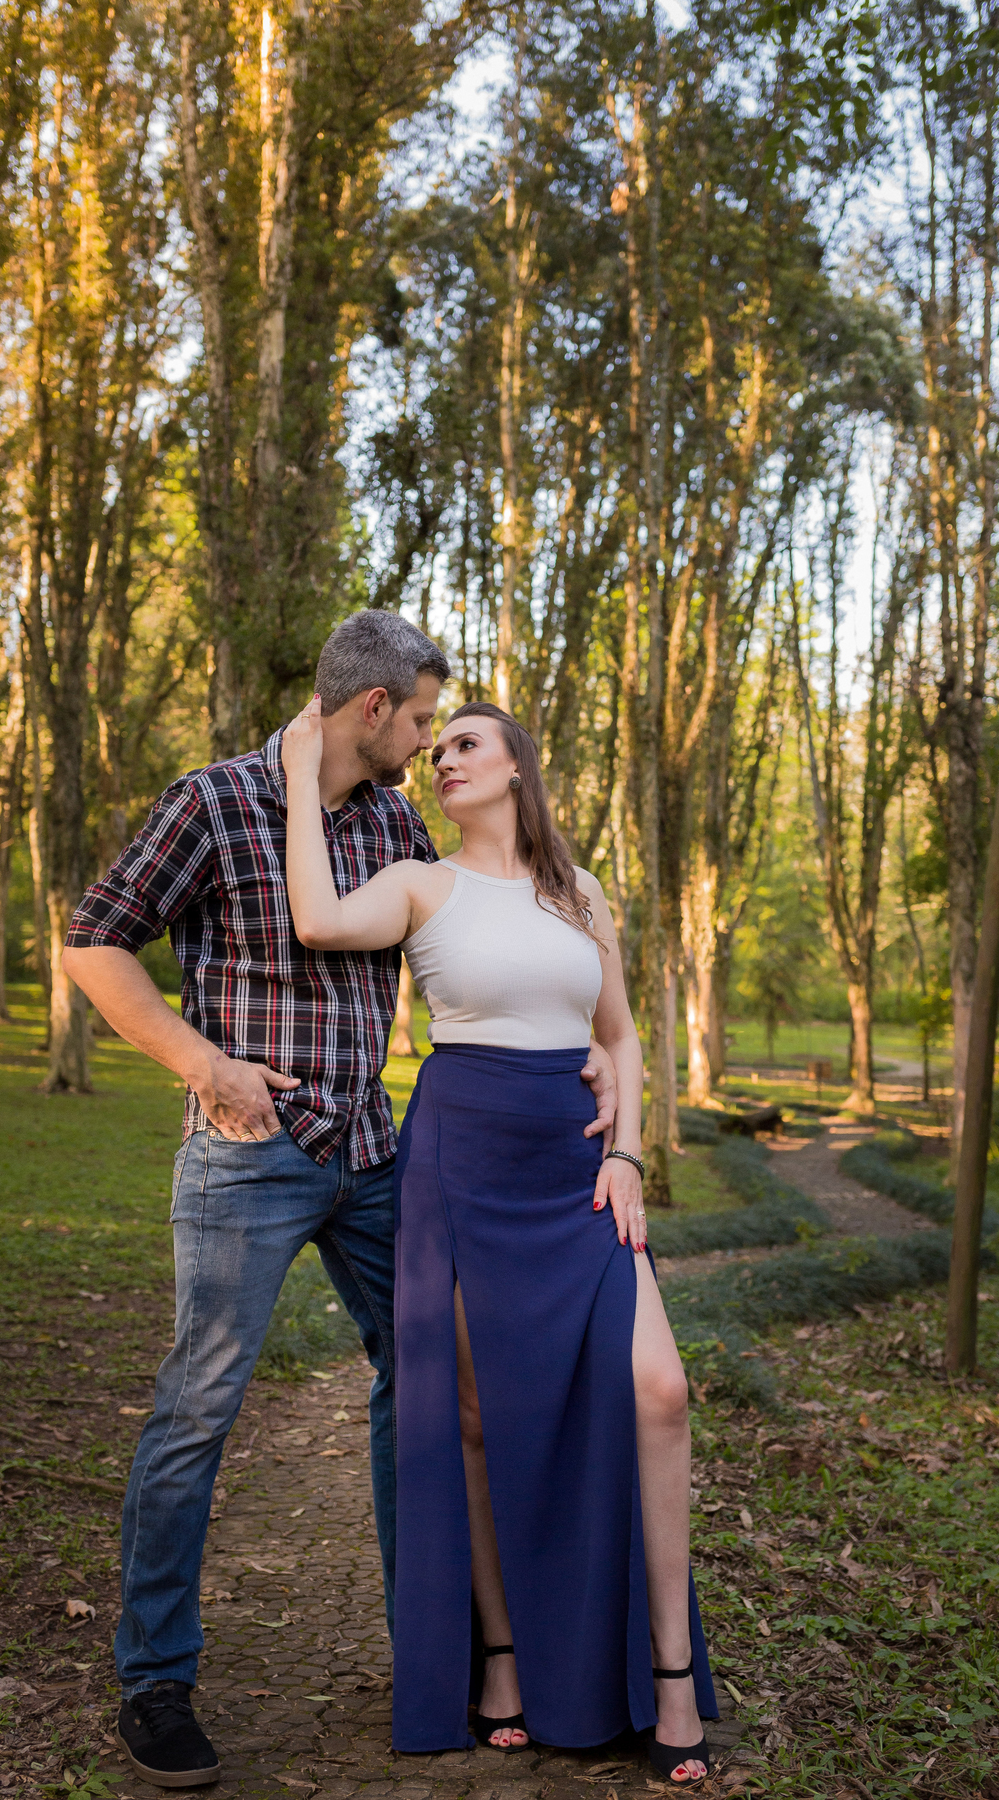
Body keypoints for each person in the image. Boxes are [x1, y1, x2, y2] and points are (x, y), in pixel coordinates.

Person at [60, 613, 618, 1789]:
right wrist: (199, 1065)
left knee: (424, 1386)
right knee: (200, 1402)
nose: (426, 741)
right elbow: (95, 941)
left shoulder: (388, 827)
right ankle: (156, 1680)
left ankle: (435, 1654)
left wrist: (595, 1044)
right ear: (375, 709)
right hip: (248, 1151)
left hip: (375, 1148)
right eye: (422, 718)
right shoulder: (212, 804)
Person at [282, 696, 718, 1784]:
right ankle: (505, 1661)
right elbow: (320, 923)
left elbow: (616, 1037)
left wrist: (625, 1155)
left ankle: (670, 1675)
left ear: (519, 764)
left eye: (466, 742)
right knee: (473, 1415)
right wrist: (299, 776)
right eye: (438, 751)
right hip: (462, 1157)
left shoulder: (581, 894)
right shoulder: (423, 885)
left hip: (577, 1172)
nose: (444, 760)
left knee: (658, 1389)